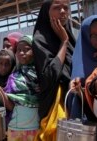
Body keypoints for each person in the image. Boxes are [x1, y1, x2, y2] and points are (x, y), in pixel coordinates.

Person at [32, 0, 75, 140]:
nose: (63, 11)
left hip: (74, 100)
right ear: (47, 12)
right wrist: (63, 43)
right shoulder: (40, 40)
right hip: (54, 103)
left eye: (66, 8)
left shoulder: (71, 38)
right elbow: (48, 76)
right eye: (57, 8)